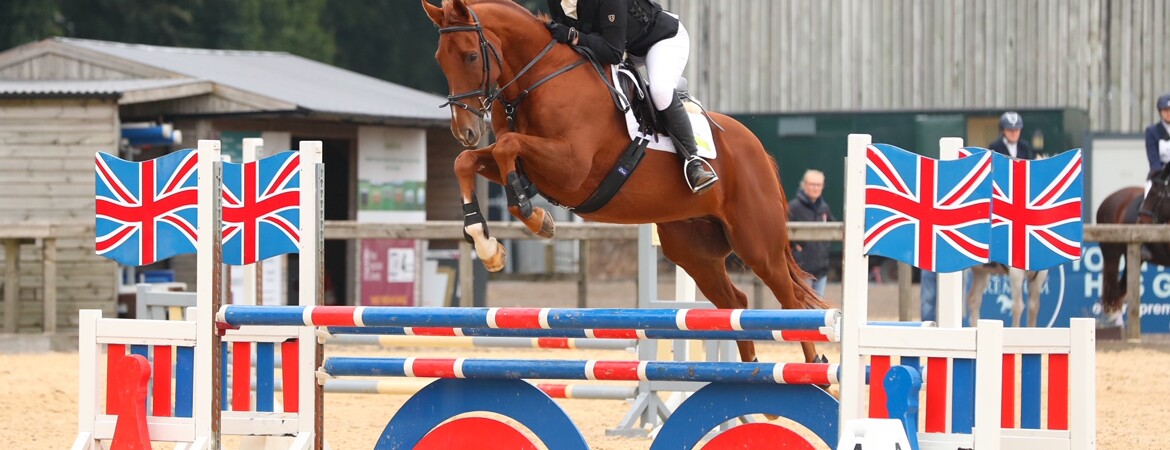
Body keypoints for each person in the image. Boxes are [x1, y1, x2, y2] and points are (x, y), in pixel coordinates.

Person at [546, 0, 717, 193]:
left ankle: (693, 162)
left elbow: (613, 52)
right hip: (626, 48)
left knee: (660, 91)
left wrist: (574, 36)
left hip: (660, 40)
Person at [788, 170, 834, 297]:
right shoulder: (793, 207)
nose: (816, 188)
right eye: (812, 184)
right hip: (802, 270)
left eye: (819, 185)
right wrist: (796, 246)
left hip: (821, 271)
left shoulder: (824, 208)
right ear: (804, 185)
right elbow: (782, 233)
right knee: (803, 305)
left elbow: (833, 230)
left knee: (818, 305)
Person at [1145, 93, 1170, 195]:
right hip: (1160, 174)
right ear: (1160, 112)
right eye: (1165, 110)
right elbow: (1153, 159)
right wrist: (1163, 175)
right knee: (1148, 195)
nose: (1168, 113)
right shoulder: (1152, 131)